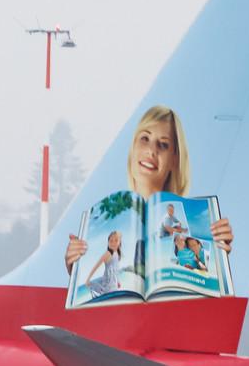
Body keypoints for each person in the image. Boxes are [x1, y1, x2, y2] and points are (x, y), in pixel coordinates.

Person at [64, 105, 232, 273]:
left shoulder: (195, 222)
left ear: (175, 159)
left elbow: (202, 273)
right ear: (133, 146)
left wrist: (218, 256)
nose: (151, 151)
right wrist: (76, 267)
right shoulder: (103, 220)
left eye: (163, 145)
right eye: (145, 138)